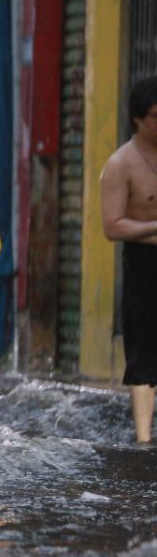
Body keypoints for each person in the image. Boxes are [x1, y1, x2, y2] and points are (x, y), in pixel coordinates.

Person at [100, 76, 157, 444]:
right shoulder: (121, 164)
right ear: (138, 118)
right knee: (143, 348)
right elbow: (112, 225)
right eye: (155, 116)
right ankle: (142, 437)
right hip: (143, 263)